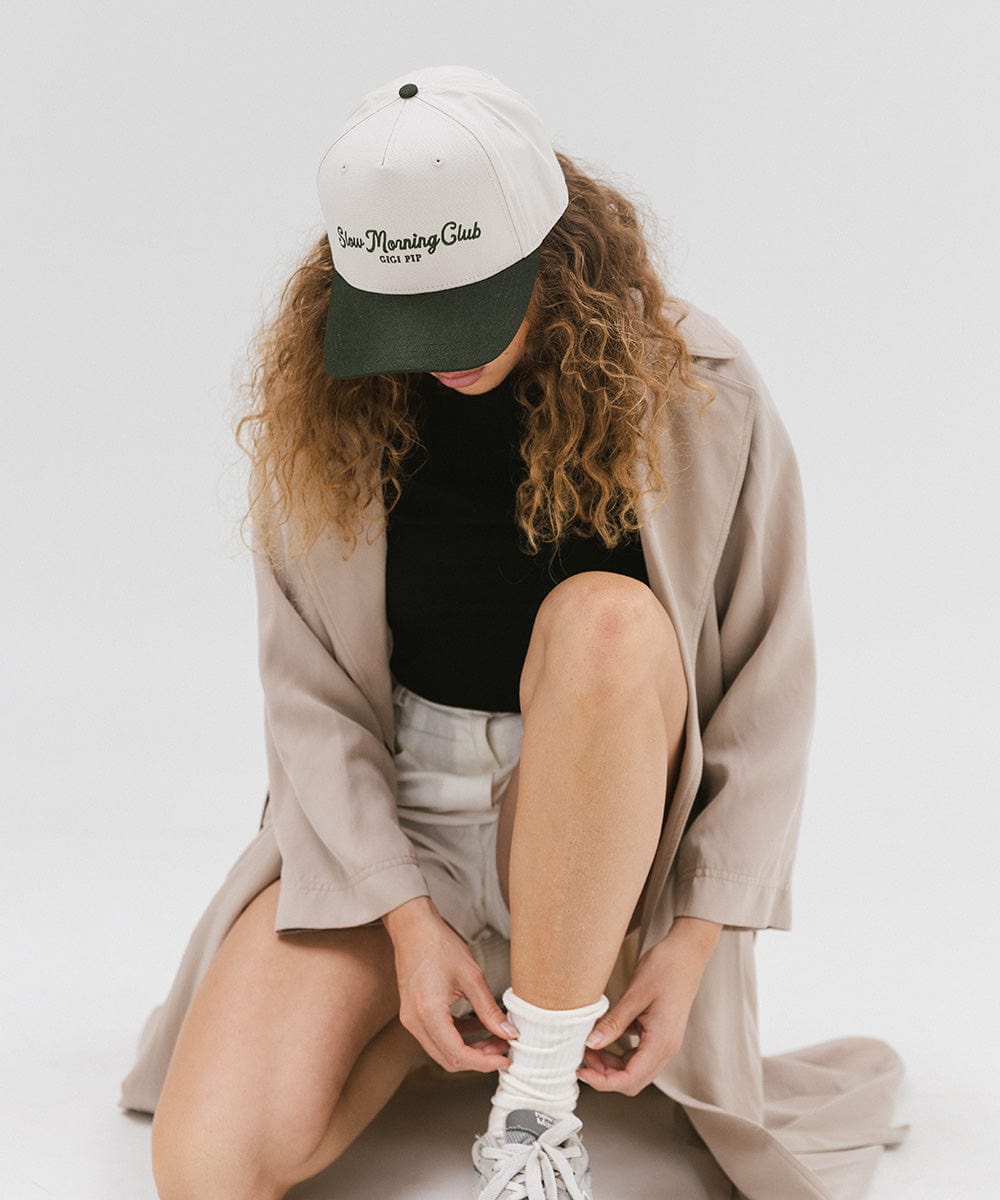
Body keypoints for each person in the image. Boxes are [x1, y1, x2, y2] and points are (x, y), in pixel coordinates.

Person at [119, 64, 910, 1200]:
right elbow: (309, 705)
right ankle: (468, 996)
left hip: (605, 828)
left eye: (470, 303)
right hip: (400, 827)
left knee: (604, 626)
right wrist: (400, 918)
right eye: (405, 313)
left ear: (558, 249)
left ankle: (535, 1112)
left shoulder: (705, 388)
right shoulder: (323, 408)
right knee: (205, 1170)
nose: (442, 346)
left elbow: (767, 685)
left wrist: (690, 941)